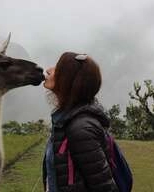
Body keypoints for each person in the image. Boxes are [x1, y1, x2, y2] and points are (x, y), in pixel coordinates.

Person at [42, 52, 119, 192]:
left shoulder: (81, 129)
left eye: (58, 68)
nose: (48, 70)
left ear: (68, 80)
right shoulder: (66, 121)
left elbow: (105, 187)